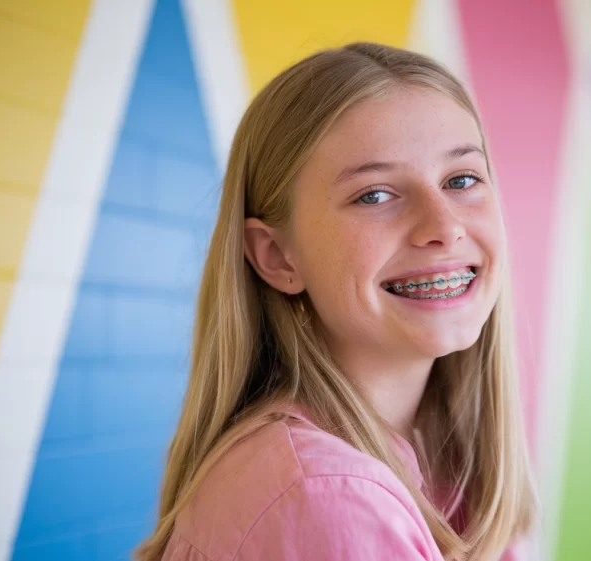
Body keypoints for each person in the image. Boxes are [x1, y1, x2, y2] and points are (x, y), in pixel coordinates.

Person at [135, 42, 537, 561]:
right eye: (374, 194)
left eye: (461, 179)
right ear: (278, 257)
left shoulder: (443, 466)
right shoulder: (328, 497)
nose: (445, 227)